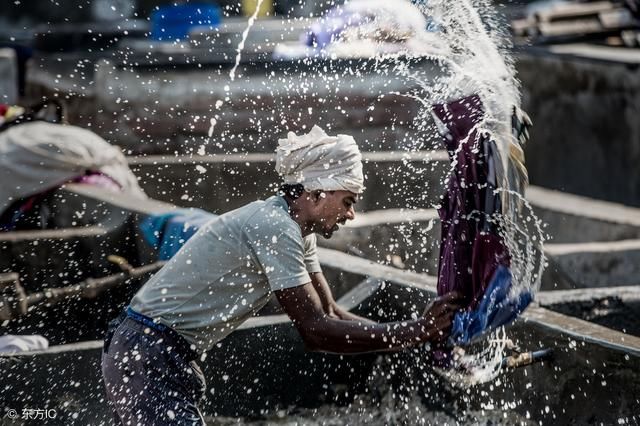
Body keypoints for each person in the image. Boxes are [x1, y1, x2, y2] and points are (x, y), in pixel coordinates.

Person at [101, 125, 464, 424]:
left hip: (161, 352)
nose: (350, 214)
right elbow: (316, 331)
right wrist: (415, 331)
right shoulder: (275, 227)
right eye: (348, 201)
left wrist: (416, 334)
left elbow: (332, 313)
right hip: (147, 351)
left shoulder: (296, 231)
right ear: (317, 192)